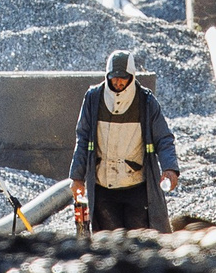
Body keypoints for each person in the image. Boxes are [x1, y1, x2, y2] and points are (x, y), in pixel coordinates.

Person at [69, 50, 178, 234]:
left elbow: (164, 138)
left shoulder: (146, 101)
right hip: (103, 189)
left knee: (139, 243)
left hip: (136, 190)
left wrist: (170, 169)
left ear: (132, 77)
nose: (118, 82)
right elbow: (83, 138)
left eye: (123, 78)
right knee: (109, 245)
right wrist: (77, 177)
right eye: (113, 78)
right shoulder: (93, 98)